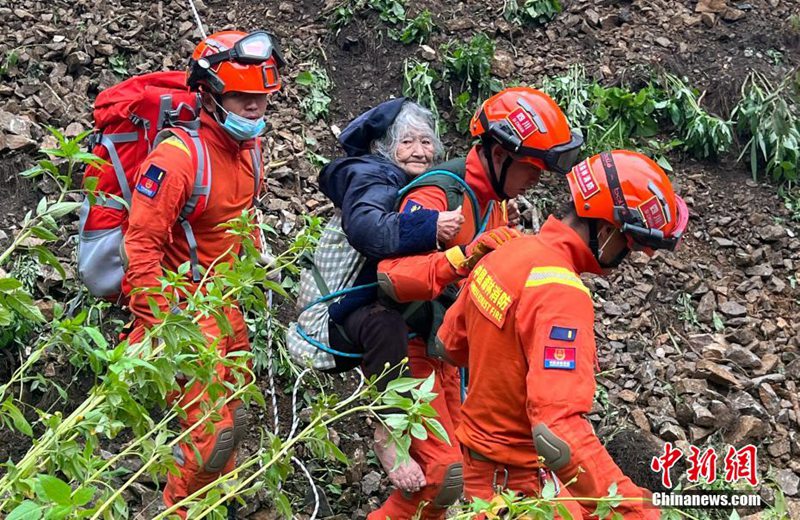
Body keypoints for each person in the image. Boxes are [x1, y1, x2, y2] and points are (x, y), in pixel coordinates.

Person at [436, 150, 688, 519]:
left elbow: (449, 344)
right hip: (517, 491)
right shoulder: (561, 294)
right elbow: (557, 433)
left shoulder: (506, 248)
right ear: (606, 232)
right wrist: (632, 508)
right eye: (630, 246)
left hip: (482, 473)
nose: (628, 258)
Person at [374, 87, 583, 520]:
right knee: (444, 473)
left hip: (449, 352)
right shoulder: (438, 195)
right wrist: (462, 257)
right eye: (531, 166)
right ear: (499, 154)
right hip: (411, 347)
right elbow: (391, 278)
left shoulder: (496, 205)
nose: (537, 178)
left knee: (461, 478)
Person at [123, 30, 282, 516]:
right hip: (186, 310)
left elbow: (243, 216)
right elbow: (140, 248)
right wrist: (165, 326)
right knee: (208, 436)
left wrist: (258, 260)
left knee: (228, 428)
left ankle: (219, 505)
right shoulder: (176, 158)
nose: (254, 108)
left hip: (226, 303)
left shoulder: (249, 151)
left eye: (260, 98)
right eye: (242, 97)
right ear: (210, 94)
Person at [303, 97, 465, 494]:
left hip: (371, 305)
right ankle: (387, 432)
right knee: (384, 322)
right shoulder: (371, 176)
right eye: (407, 141)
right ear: (384, 147)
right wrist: (428, 226)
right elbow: (368, 229)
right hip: (334, 312)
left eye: (426, 142)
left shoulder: (419, 185)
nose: (419, 151)